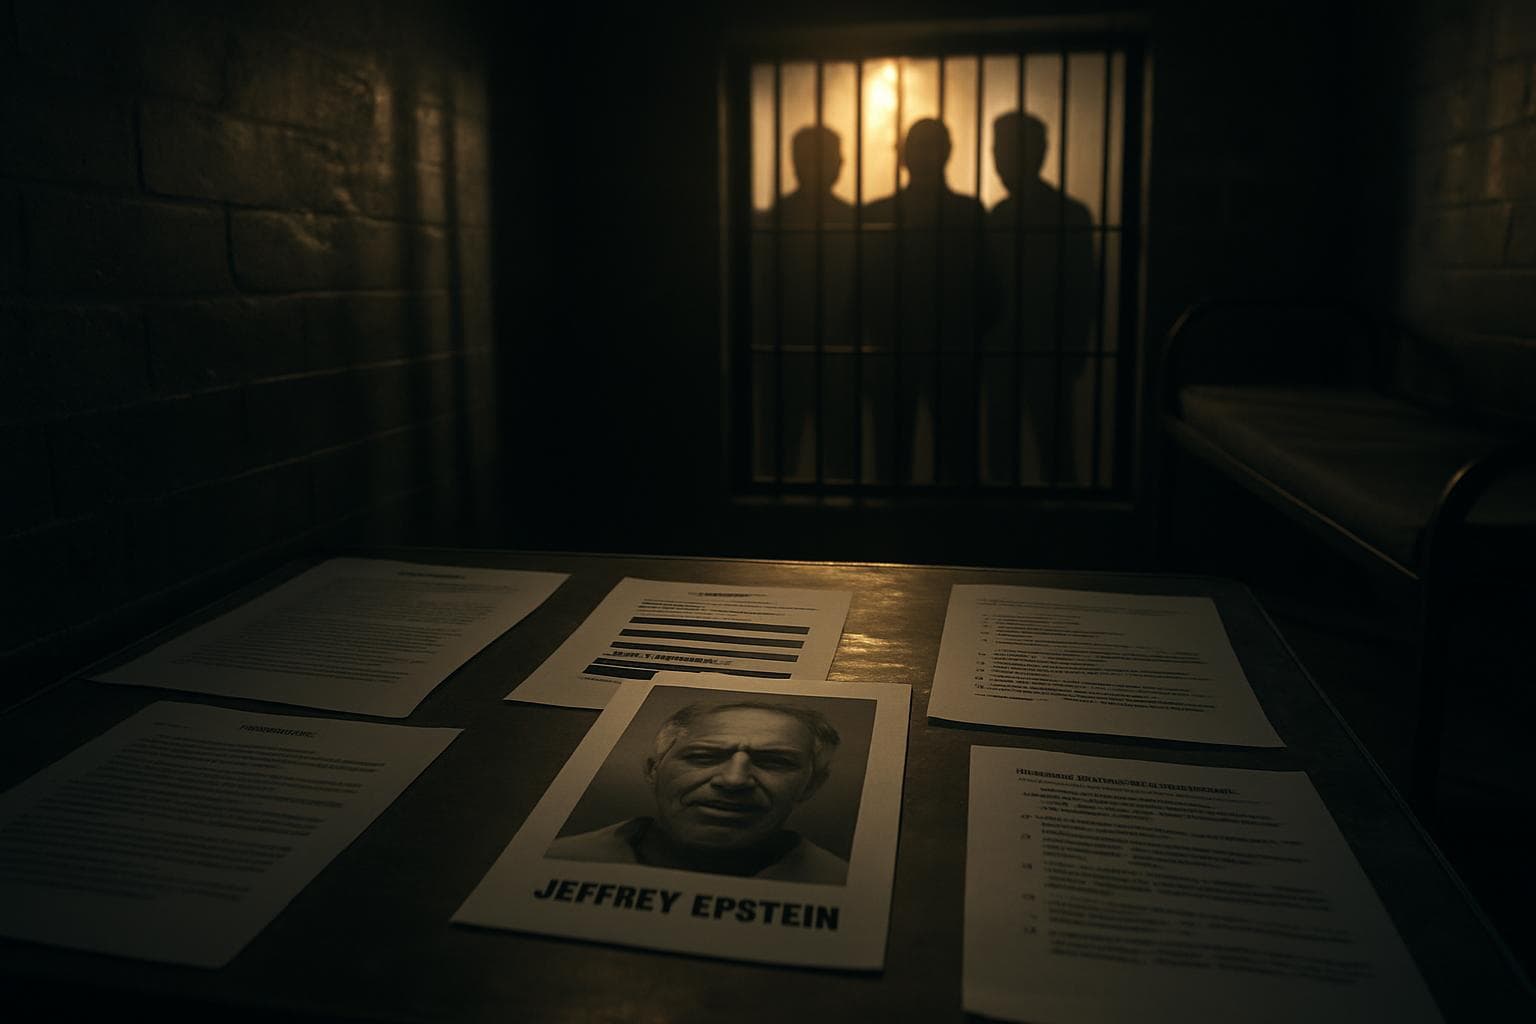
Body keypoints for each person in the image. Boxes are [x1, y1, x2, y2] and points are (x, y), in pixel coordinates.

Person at [548, 701, 850, 884]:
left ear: (811, 785)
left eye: (773, 762)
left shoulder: (844, 883)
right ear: (653, 770)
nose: (733, 780)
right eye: (703, 757)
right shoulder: (556, 859)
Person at [861, 118, 990, 484]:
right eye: (918, 146)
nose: (922, 155)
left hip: (897, 347)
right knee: (956, 461)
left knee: (894, 461)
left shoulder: (878, 213)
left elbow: (861, 286)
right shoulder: (969, 211)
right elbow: (986, 287)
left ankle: (891, 532)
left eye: (926, 146)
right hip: (947, 347)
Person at [984, 111, 1097, 485]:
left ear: (1038, 153)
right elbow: (1082, 290)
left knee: (1009, 459)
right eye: (998, 150)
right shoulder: (1070, 215)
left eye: (1005, 149)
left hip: (1022, 351)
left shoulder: (999, 217)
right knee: (1053, 458)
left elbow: (1081, 289)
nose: (999, 160)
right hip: (1044, 352)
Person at [754, 125, 858, 482]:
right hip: (837, 355)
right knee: (842, 466)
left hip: (785, 355)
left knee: (776, 465)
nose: (840, 162)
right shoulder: (852, 220)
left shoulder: (773, 220)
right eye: (834, 155)